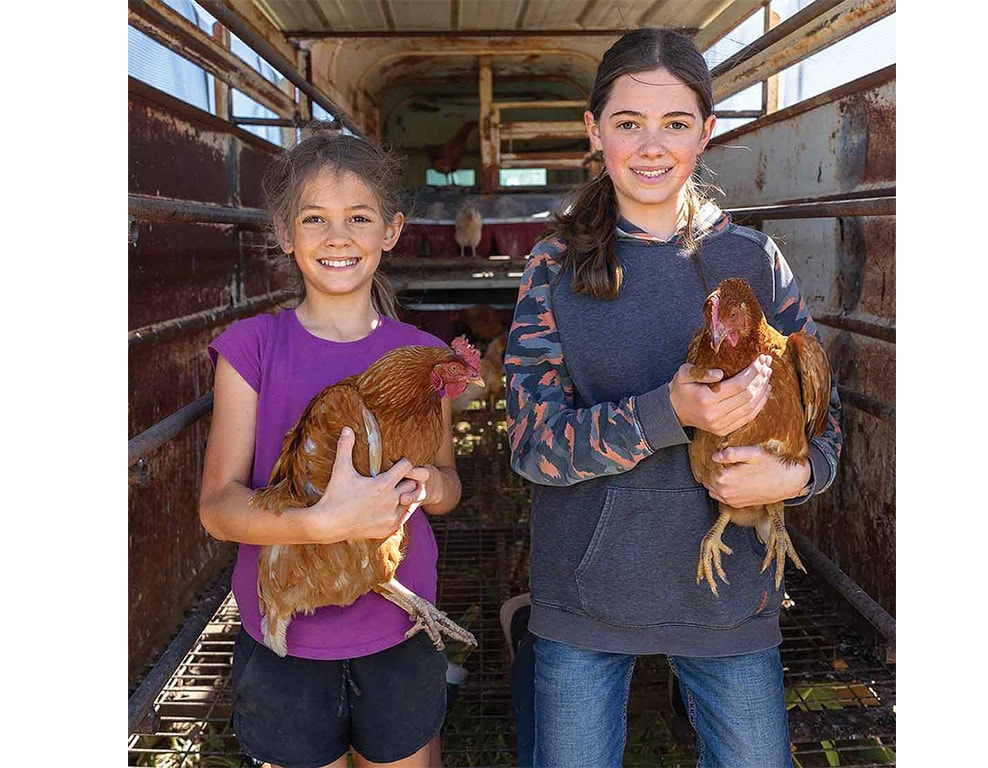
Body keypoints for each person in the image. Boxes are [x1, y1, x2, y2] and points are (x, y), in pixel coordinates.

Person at [503, 28, 843, 768]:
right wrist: (670, 414)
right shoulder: (554, 265)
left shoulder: (755, 260)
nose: (651, 147)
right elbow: (531, 446)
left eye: (676, 124)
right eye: (628, 123)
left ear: (707, 133)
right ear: (595, 131)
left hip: (729, 605)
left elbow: (828, 424)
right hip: (585, 604)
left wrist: (794, 475)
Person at [199, 130, 463, 768]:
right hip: (285, 630)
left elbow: (451, 488)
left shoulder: (423, 356)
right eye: (315, 219)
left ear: (391, 232)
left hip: (397, 628)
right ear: (286, 234)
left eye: (359, 219)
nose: (337, 237)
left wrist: (423, 484)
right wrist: (320, 522)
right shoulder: (252, 348)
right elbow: (217, 507)